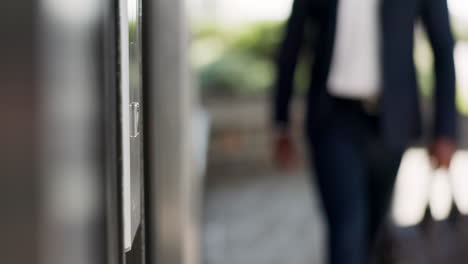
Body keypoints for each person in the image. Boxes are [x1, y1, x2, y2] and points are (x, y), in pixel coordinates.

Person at [272, 0, 458, 263]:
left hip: (392, 121)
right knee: (347, 231)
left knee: (376, 232)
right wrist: (281, 123)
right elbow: (292, 43)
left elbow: (442, 46)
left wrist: (445, 130)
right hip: (334, 119)